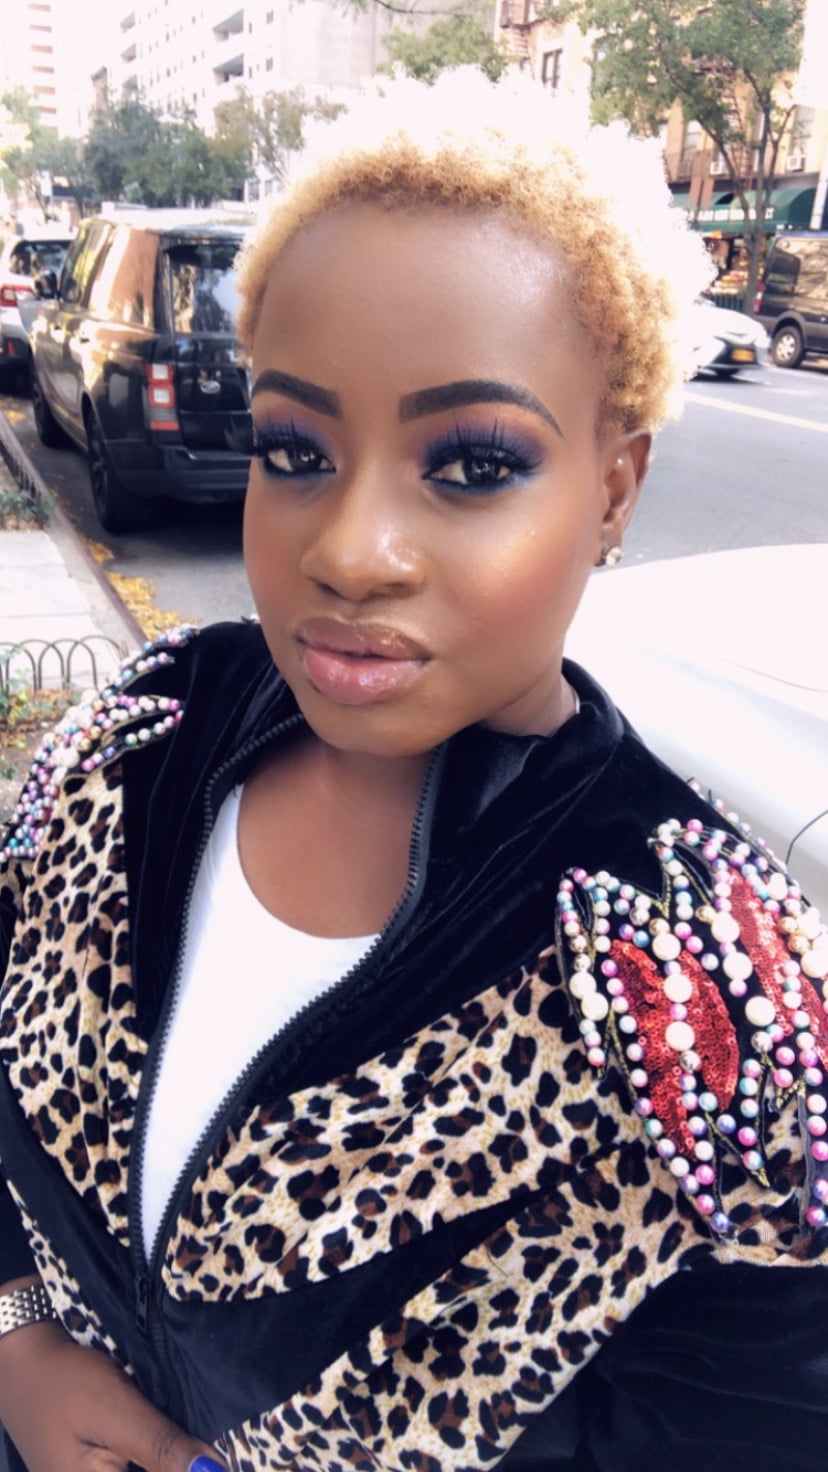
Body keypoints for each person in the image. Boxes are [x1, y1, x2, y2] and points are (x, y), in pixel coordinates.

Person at [1, 68, 827, 1472]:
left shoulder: (714, 986)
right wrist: (18, 1340)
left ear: (613, 490)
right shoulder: (133, 743)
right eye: (294, 450)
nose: (349, 551)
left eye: (473, 465)